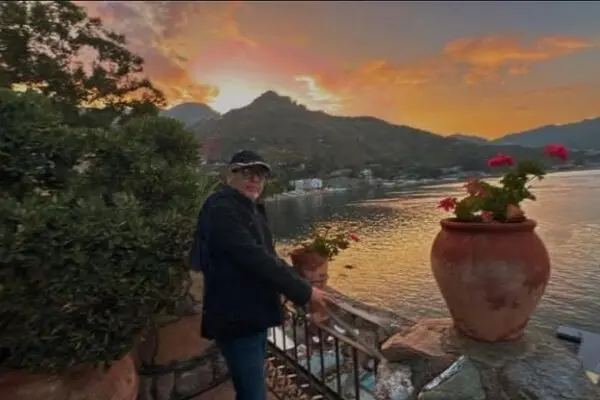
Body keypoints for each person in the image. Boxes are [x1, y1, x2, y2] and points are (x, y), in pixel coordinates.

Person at [189, 149, 328, 400]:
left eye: (260, 175)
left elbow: (268, 256)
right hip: (237, 317)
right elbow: (254, 257)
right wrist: (304, 291)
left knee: (250, 389)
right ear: (229, 175)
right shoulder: (222, 208)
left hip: (252, 314)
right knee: (253, 394)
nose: (255, 179)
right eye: (247, 172)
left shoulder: (248, 208)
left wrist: (297, 283)